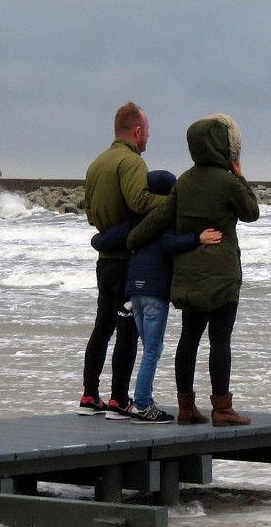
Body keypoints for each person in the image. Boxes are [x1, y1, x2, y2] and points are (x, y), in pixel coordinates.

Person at [127, 113, 259, 426]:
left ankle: (186, 407)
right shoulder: (227, 182)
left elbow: (158, 220)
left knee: (189, 339)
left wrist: (133, 239)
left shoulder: (184, 181)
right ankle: (222, 409)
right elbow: (251, 212)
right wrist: (240, 176)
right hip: (223, 276)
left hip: (188, 277)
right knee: (220, 340)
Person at [91, 170, 223, 424]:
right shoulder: (166, 218)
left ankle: (144, 400)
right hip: (153, 291)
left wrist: (96, 238)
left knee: (147, 348)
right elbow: (168, 244)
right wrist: (198, 238)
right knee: (153, 349)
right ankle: (142, 405)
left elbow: (110, 240)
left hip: (133, 290)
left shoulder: (136, 219)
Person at [79, 101, 168, 419]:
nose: (148, 138)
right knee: (127, 328)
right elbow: (140, 201)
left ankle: (89, 395)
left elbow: (89, 213)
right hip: (127, 260)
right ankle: (118, 399)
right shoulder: (131, 162)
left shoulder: (96, 163)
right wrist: (175, 201)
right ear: (137, 130)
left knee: (102, 326)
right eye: (148, 131)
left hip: (105, 259)